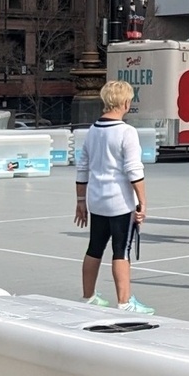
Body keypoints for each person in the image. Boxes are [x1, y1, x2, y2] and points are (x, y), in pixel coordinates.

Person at [75, 80, 153, 314]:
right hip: (119, 202)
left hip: (97, 199)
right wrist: (142, 201)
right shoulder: (126, 132)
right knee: (122, 250)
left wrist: (80, 201)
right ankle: (125, 301)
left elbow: (82, 166)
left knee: (94, 247)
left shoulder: (93, 129)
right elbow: (134, 170)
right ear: (125, 102)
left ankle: (88, 296)